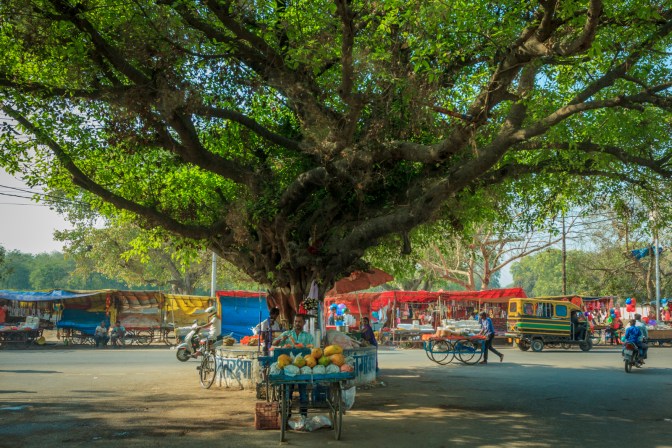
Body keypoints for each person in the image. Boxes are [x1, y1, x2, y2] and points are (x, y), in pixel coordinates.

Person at [273, 314, 314, 418]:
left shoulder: (308, 336)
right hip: (288, 368)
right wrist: (281, 340)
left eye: (299, 322)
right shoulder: (287, 334)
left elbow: (313, 349)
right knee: (288, 391)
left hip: (302, 368)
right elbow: (274, 343)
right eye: (295, 321)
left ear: (304, 323)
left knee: (303, 392)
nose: (297, 324)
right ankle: (287, 415)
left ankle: (303, 416)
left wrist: (305, 347)